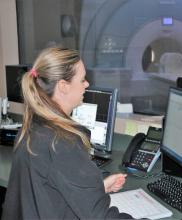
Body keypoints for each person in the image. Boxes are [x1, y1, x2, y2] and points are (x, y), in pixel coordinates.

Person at [2, 47, 133, 219]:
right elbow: (101, 217)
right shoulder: (61, 142)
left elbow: (49, 190)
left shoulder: (32, 126)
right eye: (82, 79)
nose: (87, 84)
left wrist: (96, 188)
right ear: (63, 86)